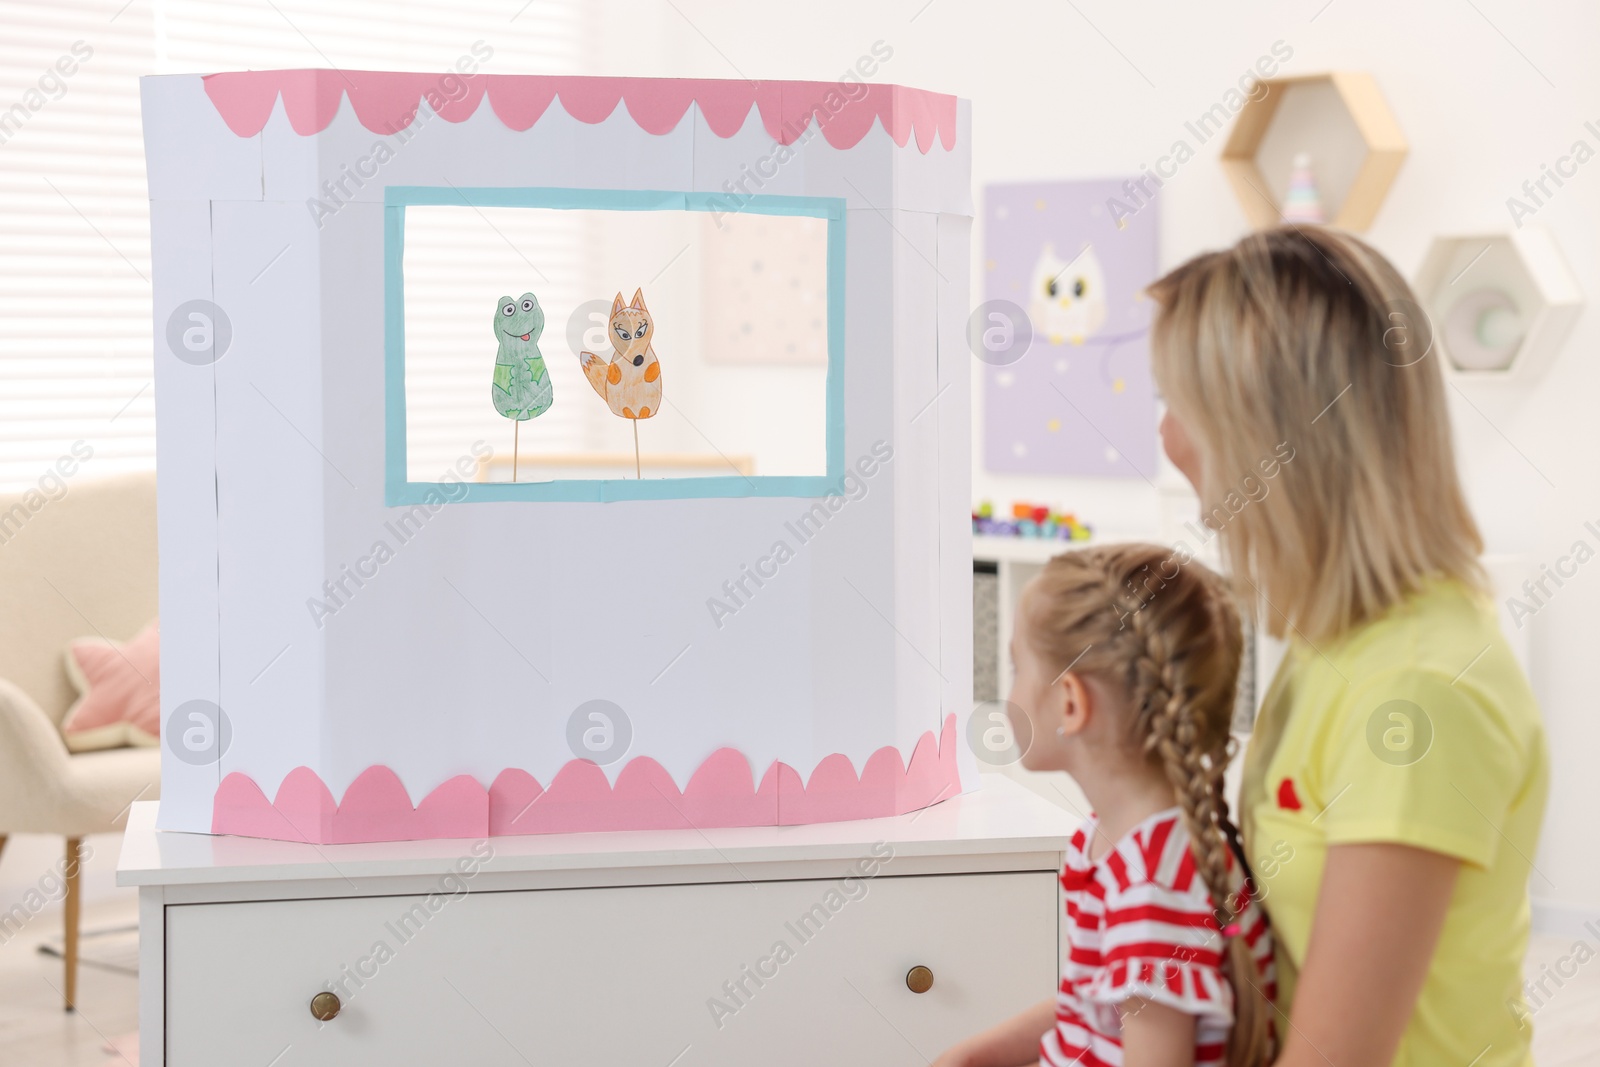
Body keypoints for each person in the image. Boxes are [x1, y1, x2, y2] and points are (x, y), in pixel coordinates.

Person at [1147, 226, 1548, 1066]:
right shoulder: (1336, 642)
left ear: (1268, 437)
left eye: (1181, 407)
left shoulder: (1418, 690)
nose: (1168, 439)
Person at [936, 543, 1275, 1067]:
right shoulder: (1113, 843)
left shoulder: (1152, 888)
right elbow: (1090, 1007)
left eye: (1016, 667)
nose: (1010, 693)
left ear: (1070, 703)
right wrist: (970, 1056)